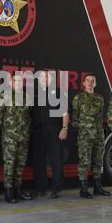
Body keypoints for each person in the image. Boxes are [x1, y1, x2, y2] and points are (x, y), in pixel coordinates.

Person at [71, 73, 111, 198]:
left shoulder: (100, 98)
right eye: (87, 80)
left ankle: (97, 188)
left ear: (95, 83)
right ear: (83, 83)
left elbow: (100, 117)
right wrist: (84, 129)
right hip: (85, 136)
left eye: (92, 81)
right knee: (84, 162)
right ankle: (83, 189)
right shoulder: (78, 98)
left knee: (98, 162)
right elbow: (75, 119)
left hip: (98, 135)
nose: (89, 83)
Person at [0, 73, 33, 203]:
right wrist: (8, 130)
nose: (18, 82)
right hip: (10, 137)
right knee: (10, 164)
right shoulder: (4, 95)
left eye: (20, 80)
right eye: (15, 80)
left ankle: (17, 190)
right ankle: (8, 192)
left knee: (20, 165)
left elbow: (28, 116)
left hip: (23, 137)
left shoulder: (26, 96)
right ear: (10, 82)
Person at [32, 71, 69, 199]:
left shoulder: (58, 93)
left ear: (51, 79)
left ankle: (56, 189)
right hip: (37, 131)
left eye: (47, 76)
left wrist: (64, 128)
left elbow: (65, 112)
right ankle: (41, 189)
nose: (44, 78)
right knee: (38, 161)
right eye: (42, 76)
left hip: (54, 130)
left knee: (56, 161)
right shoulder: (33, 93)